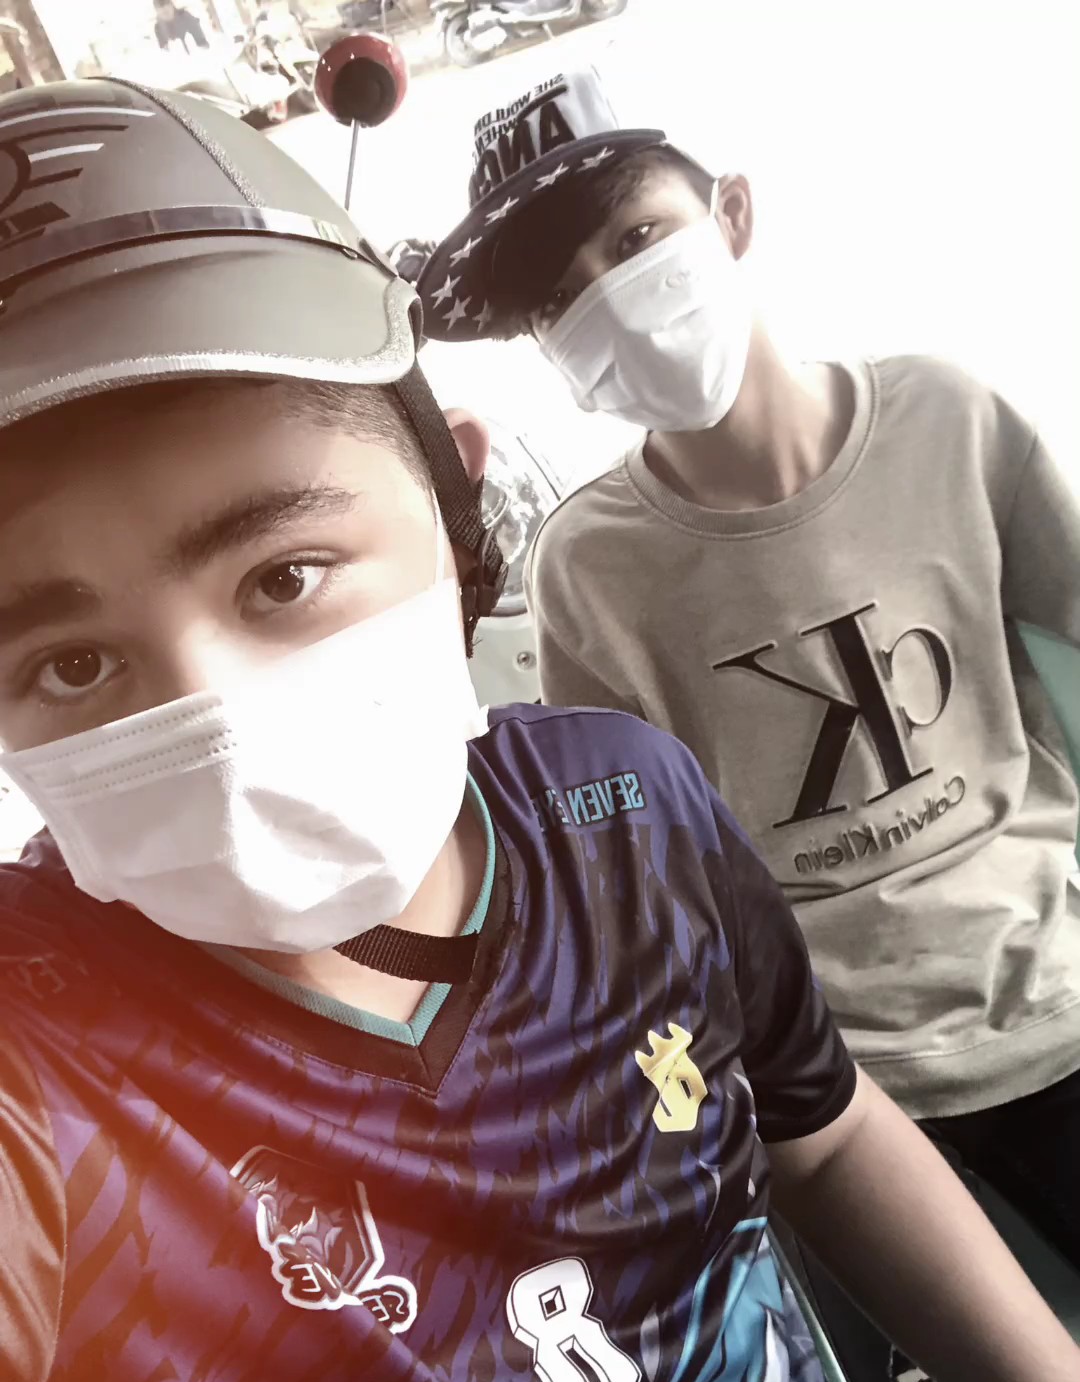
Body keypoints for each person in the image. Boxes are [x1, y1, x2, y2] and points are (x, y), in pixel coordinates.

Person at [1, 78, 1079, 1382]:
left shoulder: (619, 809)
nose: (211, 720)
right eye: (70, 663)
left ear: (456, 508)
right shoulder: (45, 1047)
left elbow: (827, 1130)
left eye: (283, 576)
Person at [418, 51, 1080, 1287]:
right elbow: (638, 859)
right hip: (832, 1081)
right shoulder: (588, 571)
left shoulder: (949, 419)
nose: (614, 301)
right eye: (561, 297)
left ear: (731, 212)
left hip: (1054, 984)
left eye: (635, 238)